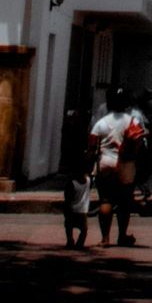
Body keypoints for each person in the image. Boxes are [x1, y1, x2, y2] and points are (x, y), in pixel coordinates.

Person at [89, 88, 144, 245]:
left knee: (105, 200)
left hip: (105, 163)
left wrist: (88, 168)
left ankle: (105, 238)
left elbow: (92, 147)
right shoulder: (132, 122)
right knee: (124, 202)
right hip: (126, 165)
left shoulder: (101, 123)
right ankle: (122, 236)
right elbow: (140, 144)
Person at [58, 106, 94, 249]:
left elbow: (67, 198)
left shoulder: (71, 183)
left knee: (69, 226)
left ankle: (70, 241)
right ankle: (79, 243)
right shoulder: (88, 181)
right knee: (84, 230)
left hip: (72, 211)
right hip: (83, 212)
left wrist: (66, 208)